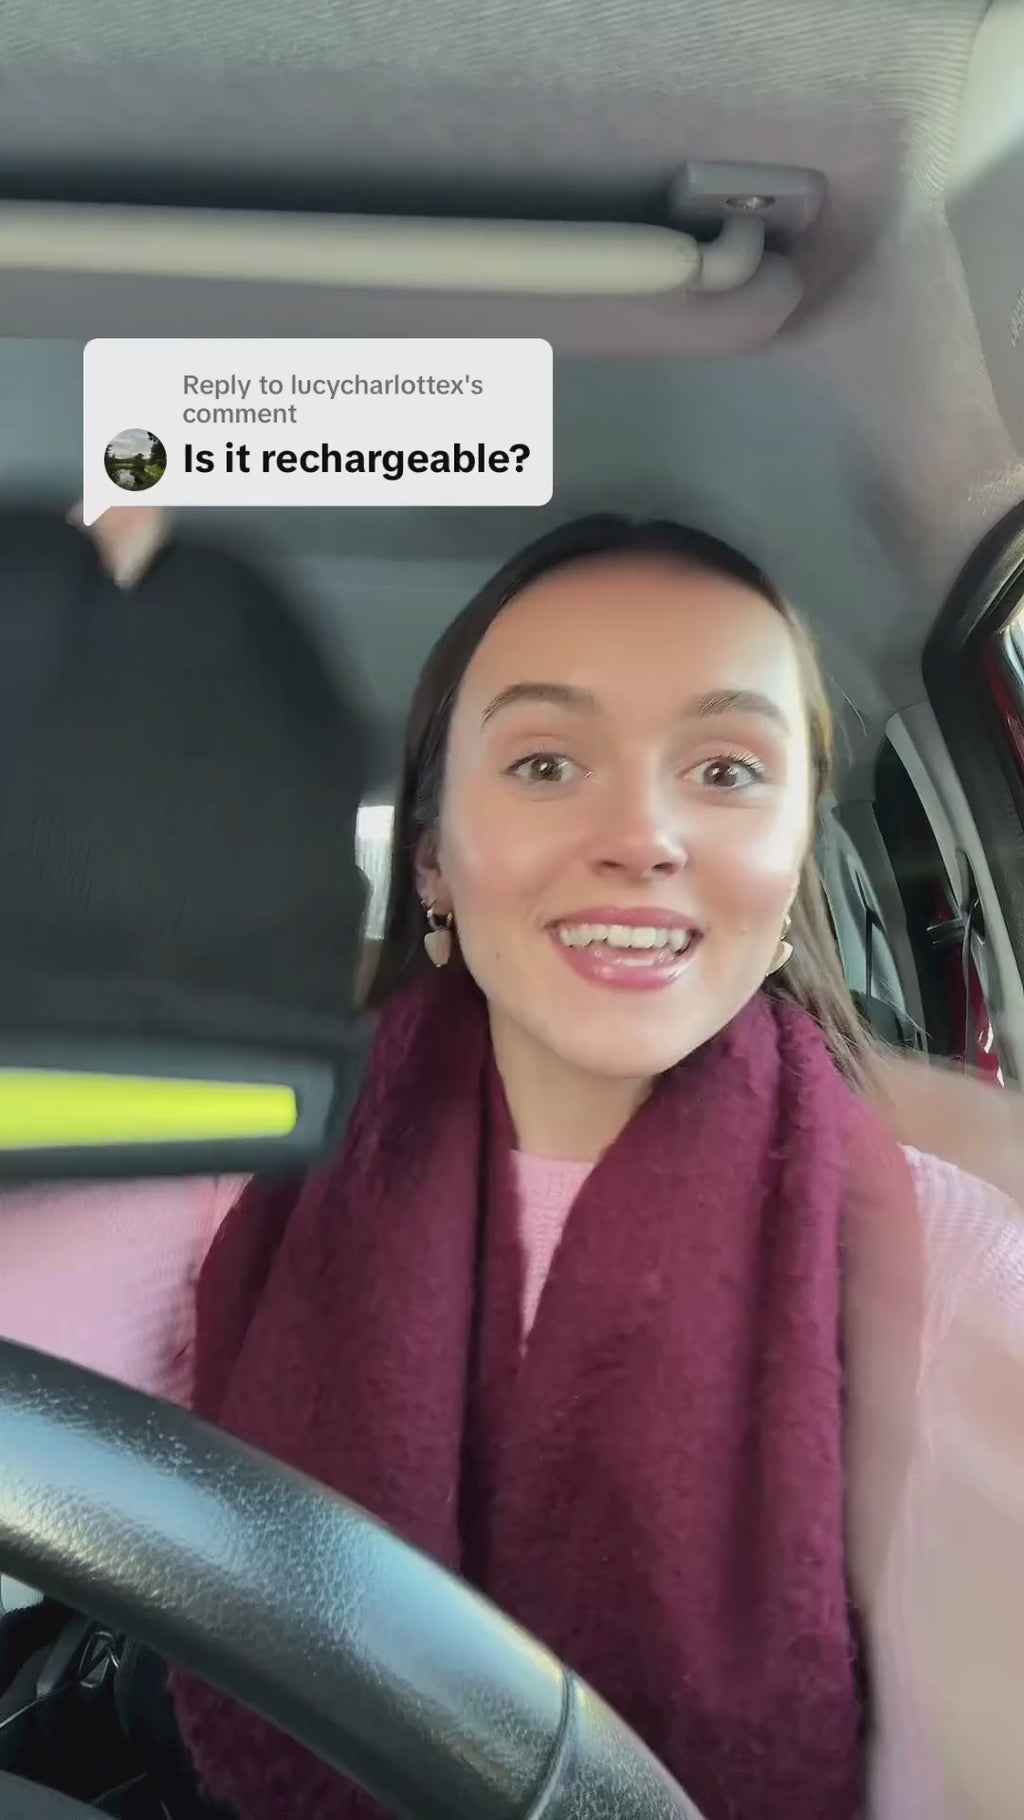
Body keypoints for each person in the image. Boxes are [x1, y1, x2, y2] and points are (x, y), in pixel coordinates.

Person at [4, 507, 1024, 1819]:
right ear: (434, 860)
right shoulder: (231, 1189)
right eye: (547, 763)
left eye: (725, 770)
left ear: (788, 879)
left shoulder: (939, 1254)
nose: (643, 835)